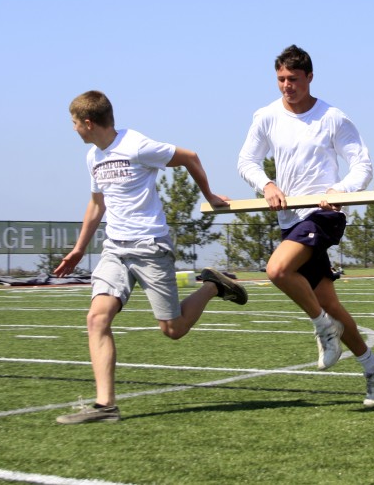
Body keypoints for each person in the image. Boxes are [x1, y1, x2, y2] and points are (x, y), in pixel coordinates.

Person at [54, 90, 248, 425]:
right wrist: (79, 248)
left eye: (74, 123)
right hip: (114, 248)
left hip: (149, 246)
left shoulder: (138, 145)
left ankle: (213, 287)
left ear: (88, 122)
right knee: (96, 319)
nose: (73, 130)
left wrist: (210, 195)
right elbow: (97, 205)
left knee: (173, 330)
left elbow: (190, 156)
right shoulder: (93, 158)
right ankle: (106, 406)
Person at [237, 44, 374, 407]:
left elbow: (362, 164)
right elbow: (246, 161)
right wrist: (267, 185)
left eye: (293, 79)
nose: (287, 86)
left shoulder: (332, 117)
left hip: (324, 215)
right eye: (281, 79)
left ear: (309, 77)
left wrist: (341, 190)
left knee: (277, 270)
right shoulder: (266, 116)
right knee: (329, 303)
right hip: (289, 218)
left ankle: (323, 329)